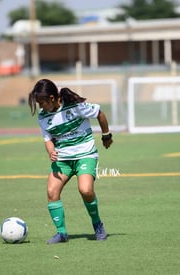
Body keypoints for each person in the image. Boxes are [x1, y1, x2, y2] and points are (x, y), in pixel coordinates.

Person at [28, 78, 114, 244]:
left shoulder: (75, 106)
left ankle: (97, 225)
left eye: (42, 102)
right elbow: (48, 139)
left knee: (86, 190)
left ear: (52, 98)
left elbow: (100, 114)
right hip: (63, 160)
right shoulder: (43, 116)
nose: (40, 107)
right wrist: (51, 152)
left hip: (85, 155)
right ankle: (61, 233)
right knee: (52, 192)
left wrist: (106, 136)